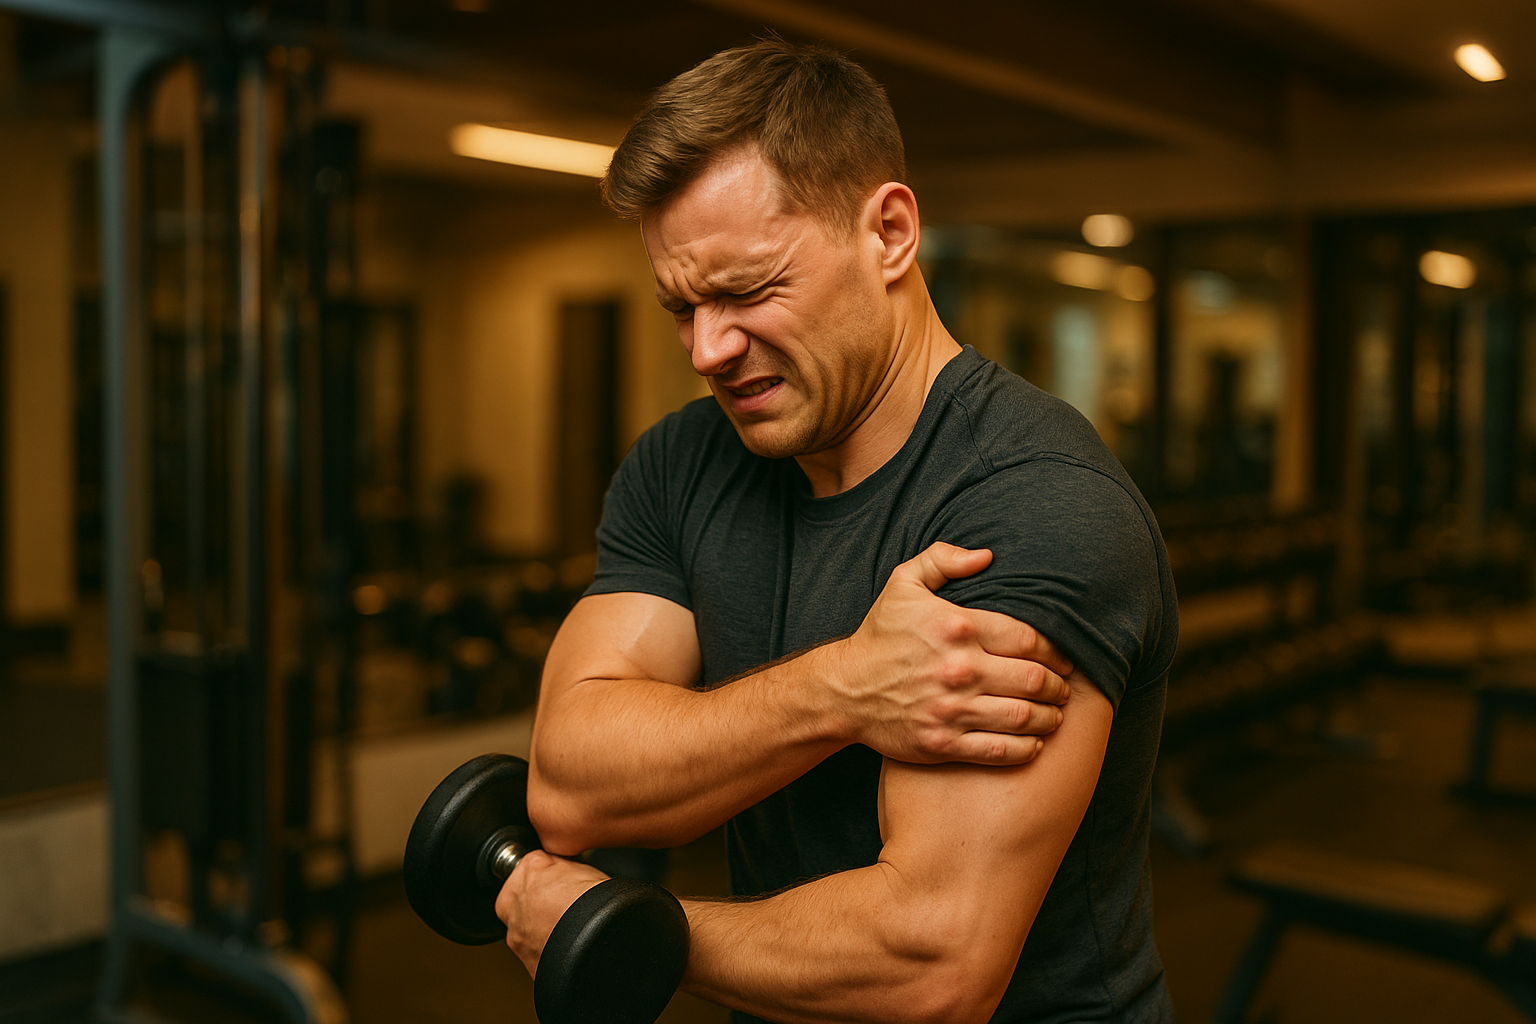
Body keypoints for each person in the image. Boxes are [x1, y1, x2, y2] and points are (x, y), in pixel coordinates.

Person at [494, 38, 1179, 1024]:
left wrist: (621, 922)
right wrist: (846, 687)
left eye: (746, 288)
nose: (707, 348)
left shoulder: (1031, 504)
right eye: (681, 305)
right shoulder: (683, 462)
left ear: (890, 232)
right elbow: (569, 780)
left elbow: (930, 959)